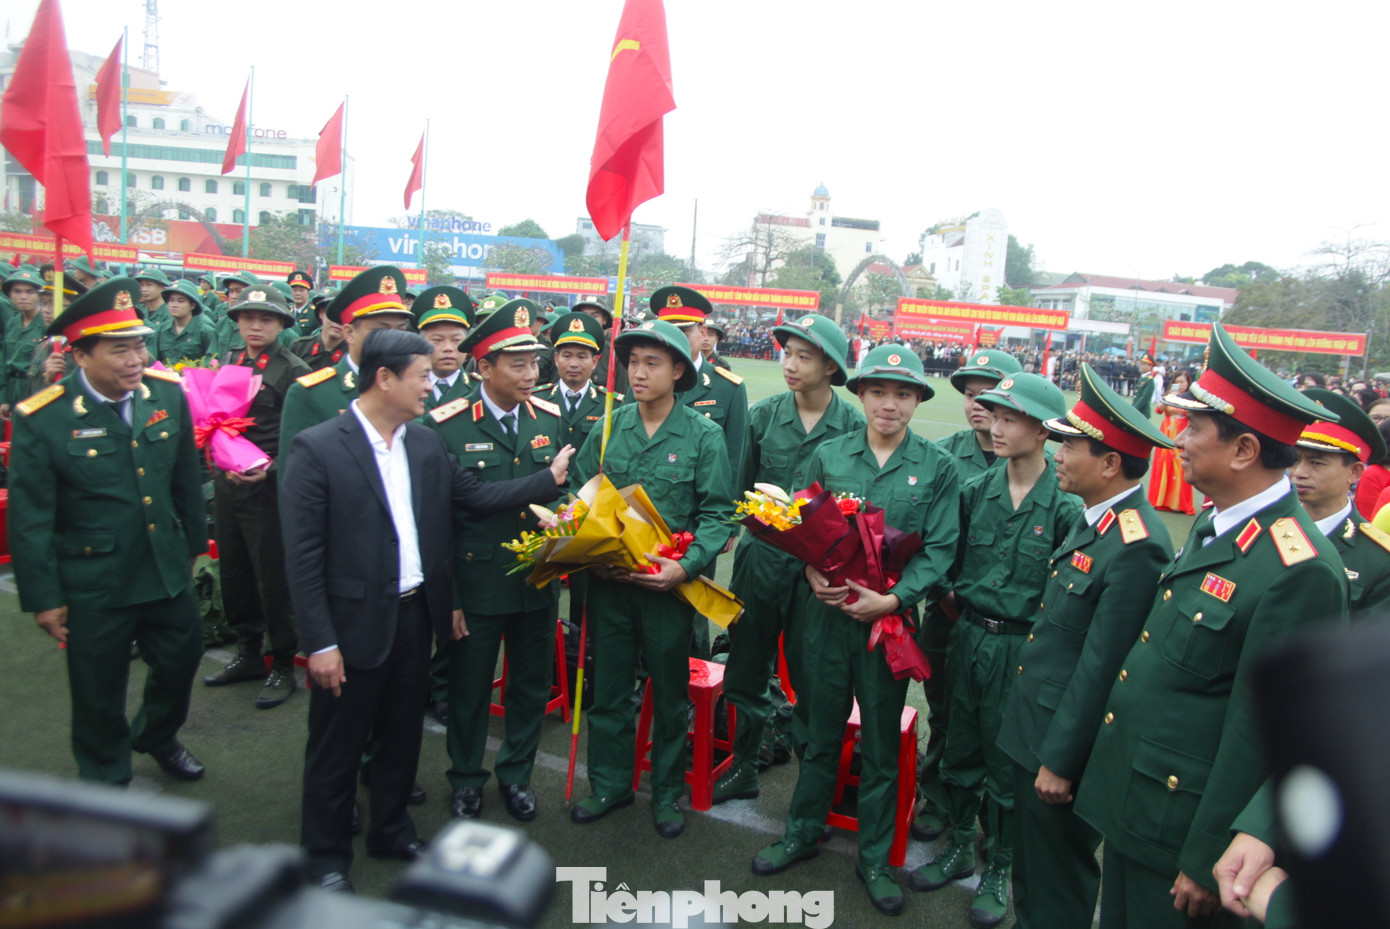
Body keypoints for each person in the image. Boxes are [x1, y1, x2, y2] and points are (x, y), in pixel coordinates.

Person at [1074, 322, 1349, 929]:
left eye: (1195, 427)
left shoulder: (1298, 570)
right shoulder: (1213, 523)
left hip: (1183, 836)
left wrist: (1204, 858)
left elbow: (1270, 734)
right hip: (1135, 800)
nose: (1178, 439)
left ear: (1245, 450)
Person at [280, 328, 574, 892]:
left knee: (401, 734)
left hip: (416, 615)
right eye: (422, 376)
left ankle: (391, 829)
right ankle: (324, 855)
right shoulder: (318, 447)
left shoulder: (420, 442)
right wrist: (318, 641)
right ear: (385, 378)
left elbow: (474, 497)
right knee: (338, 745)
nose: (432, 384)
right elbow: (303, 557)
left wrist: (547, 480)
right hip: (351, 623)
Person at [752, 344, 960, 917]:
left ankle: (874, 857)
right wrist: (812, 568)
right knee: (818, 732)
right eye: (878, 392)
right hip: (824, 621)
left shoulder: (938, 467)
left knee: (882, 745)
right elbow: (803, 523)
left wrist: (893, 599)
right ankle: (802, 830)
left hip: (885, 626)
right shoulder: (829, 455)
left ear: (918, 398)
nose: (888, 405)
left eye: (902, 394)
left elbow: (940, 549)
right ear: (861, 395)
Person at [997, 363, 1175, 929]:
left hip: (1060, 748)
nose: (1055, 453)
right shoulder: (1094, 520)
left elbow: (1103, 667)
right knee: (1031, 869)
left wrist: (1062, 759)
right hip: (1035, 727)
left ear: (1110, 462)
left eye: (1068, 444)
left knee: (1058, 880)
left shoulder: (1137, 545)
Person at [9, 278, 209, 784]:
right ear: (81, 356)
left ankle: (157, 734)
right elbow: (31, 514)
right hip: (94, 579)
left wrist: (191, 546)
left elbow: (186, 477)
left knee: (181, 661)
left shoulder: (166, 394)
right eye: (119, 349)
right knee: (98, 687)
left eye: (139, 343)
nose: (136, 358)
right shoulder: (45, 415)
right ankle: (105, 773)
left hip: (164, 567)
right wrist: (44, 597)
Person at [910, 372, 1083, 929]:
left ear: (1042, 430)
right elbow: (943, 565)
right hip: (969, 639)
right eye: (995, 415)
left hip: (1024, 650)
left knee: (1010, 766)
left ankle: (1000, 866)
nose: (997, 426)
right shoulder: (974, 491)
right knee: (961, 747)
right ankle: (961, 843)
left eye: (1010, 418)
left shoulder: (1065, 507)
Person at [568, 319, 734, 840]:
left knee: (669, 695)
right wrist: (586, 551)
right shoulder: (609, 426)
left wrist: (684, 567)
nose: (637, 373)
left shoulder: (703, 435)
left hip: (668, 591)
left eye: (651, 363)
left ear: (678, 370)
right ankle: (610, 784)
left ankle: (666, 793)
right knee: (609, 690)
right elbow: (579, 496)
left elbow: (717, 514)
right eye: (632, 362)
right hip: (611, 585)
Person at [713, 314, 863, 804]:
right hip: (760, 563)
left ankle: (811, 786)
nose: (790, 365)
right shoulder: (764, 416)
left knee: (814, 678)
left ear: (830, 367)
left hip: (815, 576)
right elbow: (739, 492)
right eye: (787, 353)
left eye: (804, 356)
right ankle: (746, 764)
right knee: (747, 668)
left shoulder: (853, 426)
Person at [426, 301, 566, 824]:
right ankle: (465, 778)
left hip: (536, 582)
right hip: (476, 583)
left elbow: (562, 493)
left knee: (529, 687)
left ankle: (516, 776)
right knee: (468, 690)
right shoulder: (445, 425)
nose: (531, 374)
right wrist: (452, 600)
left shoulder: (550, 419)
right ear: (483, 368)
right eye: (517, 364)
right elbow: (437, 520)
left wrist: (565, 514)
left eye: (534, 364)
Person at [914, 349, 1023, 842]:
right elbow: (923, 539)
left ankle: (987, 817)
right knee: (944, 711)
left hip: (1004, 622)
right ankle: (936, 795)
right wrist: (944, 596)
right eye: (970, 395)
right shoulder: (942, 456)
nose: (977, 404)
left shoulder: (1028, 462)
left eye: (990, 396)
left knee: (998, 722)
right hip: (946, 610)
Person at [200, 286, 311, 708]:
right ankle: (248, 653)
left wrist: (272, 470)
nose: (255, 325)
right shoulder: (230, 361)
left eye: (265, 319)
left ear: (282, 324)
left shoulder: (293, 370)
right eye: (247, 318)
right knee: (235, 570)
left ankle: (282, 660)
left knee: (272, 576)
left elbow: (303, 437)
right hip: (230, 485)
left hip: (268, 490)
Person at [652, 285, 748, 659]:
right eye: (667, 329)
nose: (677, 337)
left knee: (693, 609)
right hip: (651, 516)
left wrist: (729, 525)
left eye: (686, 329)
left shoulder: (725, 388)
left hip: (700, 523)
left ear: (702, 334)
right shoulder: (643, 379)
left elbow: (736, 460)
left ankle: (694, 685)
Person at [536, 310, 622, 690]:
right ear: (555, 358)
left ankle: (587, 674)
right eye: (566, 354)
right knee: (542, 601)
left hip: (592, 519)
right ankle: (551, 671)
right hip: (544, 516)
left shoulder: (612, 405)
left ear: (596, 361)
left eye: (583, 355)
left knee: (591, 603)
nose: (574, 363)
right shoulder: (537, 400)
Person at [280, 266, 414, 457]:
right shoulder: (310, 394)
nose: (392, 339)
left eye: (400, 330)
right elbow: (294, 477)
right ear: (349, 333)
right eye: (380, 330)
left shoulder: (411, 388)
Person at [1291, 389, 1390, 615]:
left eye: (1317, 463)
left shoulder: (1379, 558)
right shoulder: (1262, 530)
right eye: (1295, 460)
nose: (1299, 473)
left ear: (1354, 472)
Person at [415, 286, 475, 415]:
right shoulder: (407, 387)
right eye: (437, 340)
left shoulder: (481, 389)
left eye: (456, 340)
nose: (448, 348)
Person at [1148, 366, 1196, 514]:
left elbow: (1193, 414)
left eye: (1183, 382)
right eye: (1177, 381)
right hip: (1167, 434)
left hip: (1182, 434)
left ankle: (1179, 503)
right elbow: (1159, 410)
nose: (1180, 384)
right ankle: (1160, 500)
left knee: (1181, 467)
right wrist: (1169, 397)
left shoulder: (1192, 398)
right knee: (1164, 465)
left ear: (1188, 383)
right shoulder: (1170, 395)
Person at [154, 280, 220, 364]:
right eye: (171, 300)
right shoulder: (161, 329)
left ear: (192, 305)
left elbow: (211, 362)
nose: (174, 305)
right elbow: (154, 359)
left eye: (180, 301)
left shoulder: (206, 332)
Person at [289, 288, 346, 373]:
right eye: (333, 314)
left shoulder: (354, 355)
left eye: (344, 316)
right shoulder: (300, 347)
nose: (338, 321)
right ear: (321, 314)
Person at [1130, 352, 1160, 417]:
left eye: (1144, 364)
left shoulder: (1149, 380)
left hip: (1142, 411)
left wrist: (1135, 408)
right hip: (1137, 409)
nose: (1142, 366)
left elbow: (1145, 397)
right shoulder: (1142, 377)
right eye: (1141, 364)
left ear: (1150, 366)